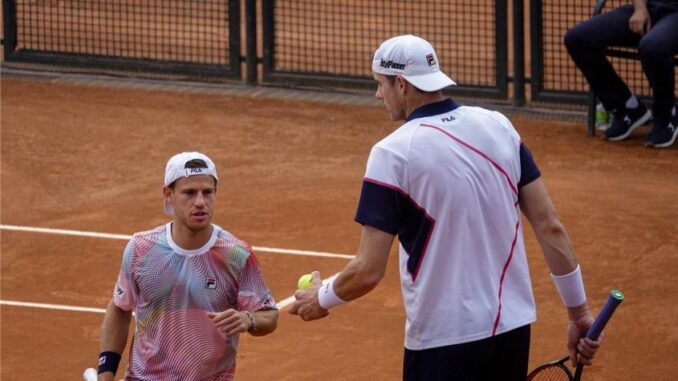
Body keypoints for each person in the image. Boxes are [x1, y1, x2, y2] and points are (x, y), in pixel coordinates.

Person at [290, 35, 601, 380]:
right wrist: (579, 314)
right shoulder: (499, 126)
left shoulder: (392, 153)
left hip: (444, 340)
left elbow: (367, 271)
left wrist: (322, 298)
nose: (379, 94)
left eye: (380, 84)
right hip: (511, 331)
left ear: (401, 83)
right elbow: (550, 227)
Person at [96, 152, 278, 380]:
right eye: (189, 193)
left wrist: (248, 320)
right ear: (168, 194)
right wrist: (105, 373)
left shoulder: (236, 254)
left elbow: (269, 315)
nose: (200, 202)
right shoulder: (141, 249)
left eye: (207, 192)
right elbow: (120, 308)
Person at [564, 0, 678, 148]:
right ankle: (627, 107)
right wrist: (640, 9)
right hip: (650, 8)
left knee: (651, 47)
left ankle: (667, 113)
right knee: (577, 39)